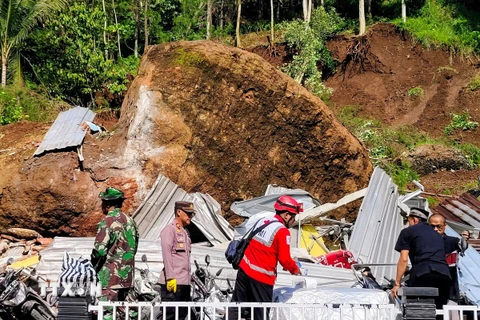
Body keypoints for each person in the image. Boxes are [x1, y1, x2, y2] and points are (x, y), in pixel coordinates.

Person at [228, 195, 302, 320]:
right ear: (286, 215)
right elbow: (285, 260)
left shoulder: (264, 221)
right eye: (293, 217)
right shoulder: (282, 231)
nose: (294, 220)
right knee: (260, 315)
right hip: (261, 279)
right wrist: (295, 270)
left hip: (244, 271)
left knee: (236, 307)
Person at [91, 187, 139, 319]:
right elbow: (134, 248)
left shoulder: (107, 222)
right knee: (128, 313)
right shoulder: (131, 222)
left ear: (106, 204)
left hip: (109, 278)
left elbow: (99, 251)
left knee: (106, 313)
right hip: (128, 277)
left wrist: (93, 267)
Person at [392, 207, 451, 312]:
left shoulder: (408, 231)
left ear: (415, 220)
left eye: (408, 220)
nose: (407, 223)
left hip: (422, 273)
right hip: (444, 275)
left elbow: (404, 259)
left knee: (418, 310)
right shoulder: (437, 234)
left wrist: (397, 283)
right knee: (440, 311)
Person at [159, 201, 195, 320]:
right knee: (170, 316)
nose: (190, 217)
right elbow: (166, 254)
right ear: (179, 212)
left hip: (185, 283)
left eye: (192, 214)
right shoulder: (169, 230)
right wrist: (170, 277)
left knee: (182, 316)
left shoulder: (185, 233)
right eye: (188, 214)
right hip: (173, 282)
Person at [429, 214, 468, 302]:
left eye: (439, 226)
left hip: (449, 287)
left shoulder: (453, 241)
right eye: (432, 226)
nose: (435, 229)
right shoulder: (422, 242)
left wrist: (464, 240)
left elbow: (463, 246)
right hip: (428, 285)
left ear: (445, 225)